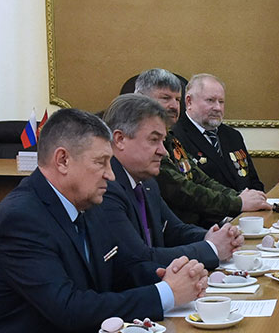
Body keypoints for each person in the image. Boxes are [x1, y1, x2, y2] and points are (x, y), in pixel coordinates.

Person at [0, 109, 209, 333]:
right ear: (63, 160)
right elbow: (68, 308)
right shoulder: (21, 219)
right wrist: (164, 293)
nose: (111, 175)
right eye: (101, 163)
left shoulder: (86, 203)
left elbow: (120, 269)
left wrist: (170, 276)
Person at [96, 93, 241, 273]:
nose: (163, 151)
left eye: (163, 141)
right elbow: (140, 258)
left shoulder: (147, 181)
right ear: (120, 139)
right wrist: (211, 248)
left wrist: (213, 236)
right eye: (154, 140)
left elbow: (174, 230)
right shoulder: (105, 187)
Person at [137, 68, 268, 226]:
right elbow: (181, 189)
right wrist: (238, 203)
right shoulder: (142, 139)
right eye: (166, 98)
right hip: (179, 227)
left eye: (177, 100)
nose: (174, 106)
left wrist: (241, 197)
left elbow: (201, 179)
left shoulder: (170, 138)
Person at [178, 72, 266, 193]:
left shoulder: (233, 136)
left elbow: (253, 181)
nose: (218, 108)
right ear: (189, 102)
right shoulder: (177, 136)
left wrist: (257, 198)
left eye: (221, 101)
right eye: (210, 100)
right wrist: (239, 201)